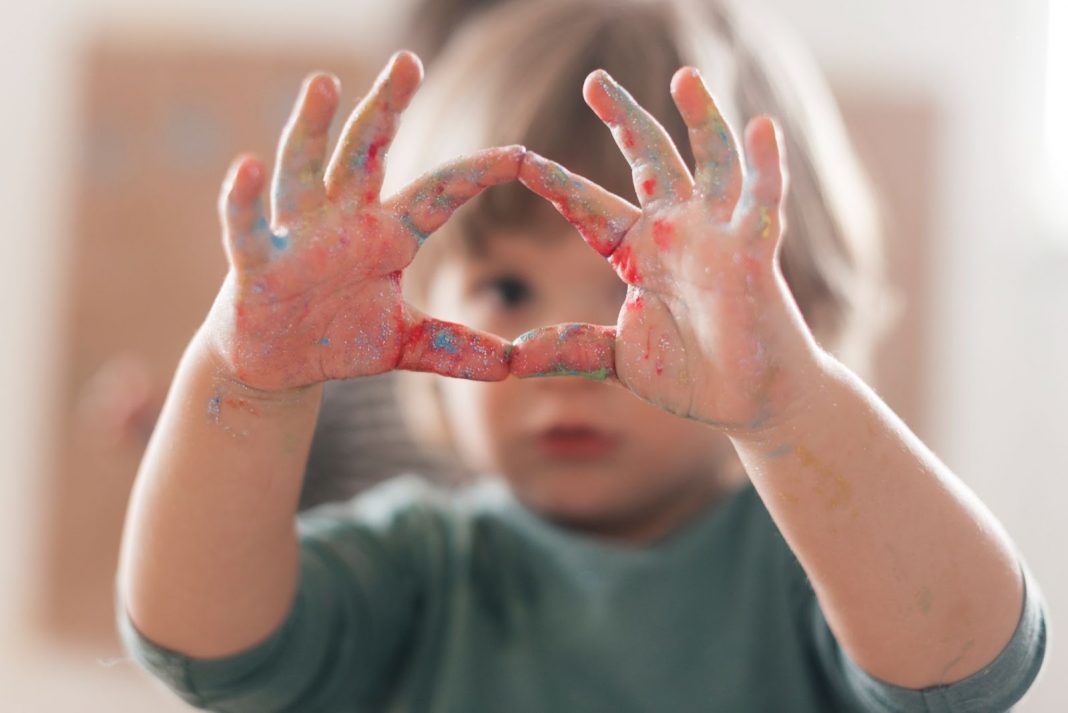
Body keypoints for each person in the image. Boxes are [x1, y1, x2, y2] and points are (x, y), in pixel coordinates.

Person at [115, 0, 1047, 710]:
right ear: (415, 308)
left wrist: (789, 408)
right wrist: (247, 386)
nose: (564, 353)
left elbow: (974, 664)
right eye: (509, 290)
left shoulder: (818, 568)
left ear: (803, 311)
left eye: (646, 299)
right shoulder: (418, 567)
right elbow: (202, 644)